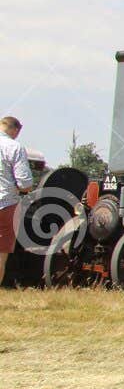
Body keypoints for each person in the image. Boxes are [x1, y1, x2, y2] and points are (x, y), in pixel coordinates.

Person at [0, 116, 37, 285]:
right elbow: (25, 184)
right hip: (6, 204)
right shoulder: (14, 147)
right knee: (1, 253)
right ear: (15, 130)